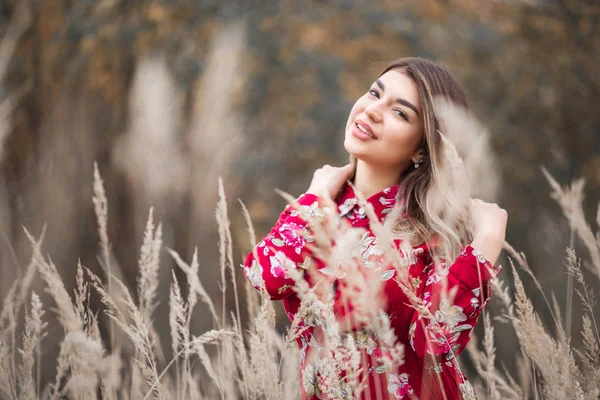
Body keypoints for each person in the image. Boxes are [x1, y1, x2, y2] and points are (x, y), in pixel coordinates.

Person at [242, 57, 507, 400]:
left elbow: (433, 343)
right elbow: (265, 278)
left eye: (400, 112)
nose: (372, 110)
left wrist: (487, 241)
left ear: (421, 148)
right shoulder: (321, 208)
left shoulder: (432, 227)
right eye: (374, 93)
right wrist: (314, 197)